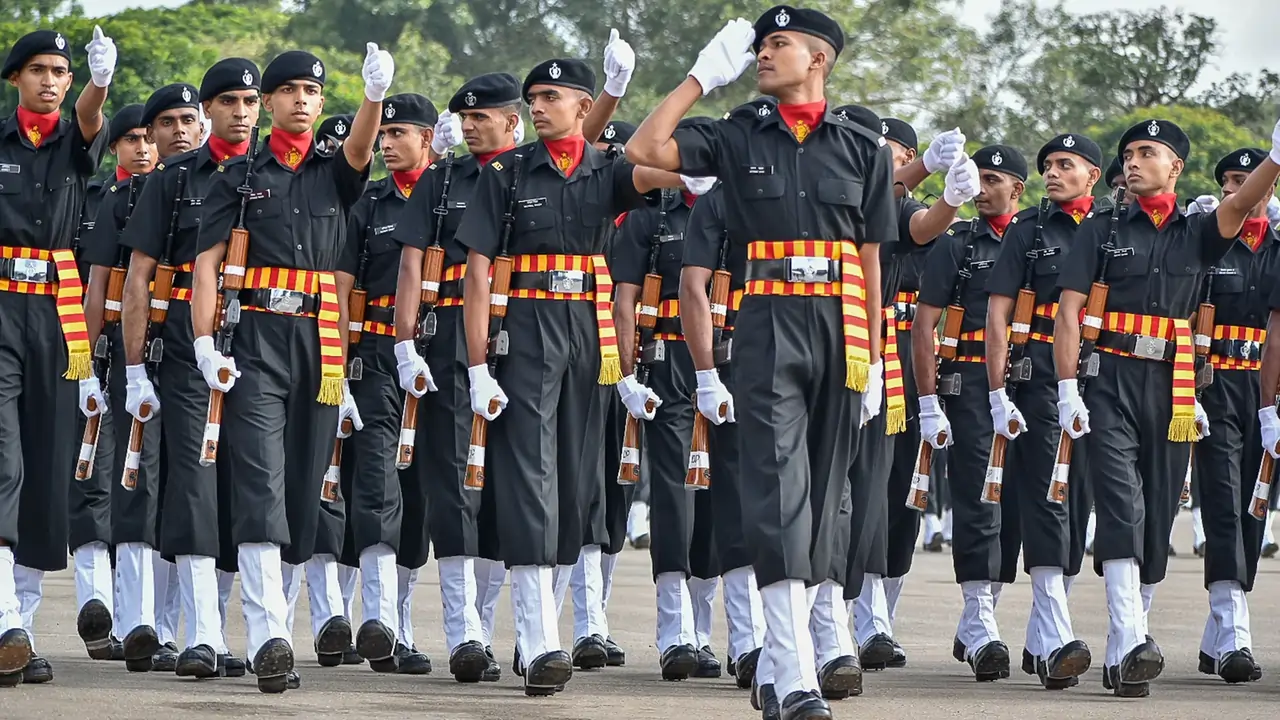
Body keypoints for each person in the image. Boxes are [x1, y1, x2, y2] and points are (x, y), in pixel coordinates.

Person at [627, 6, 898, 718]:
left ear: (819, 59)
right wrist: (699, 78)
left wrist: (873, 356)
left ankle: (782, 665)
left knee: (826, 498)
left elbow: (872, 260)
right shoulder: (737, 132)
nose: (763, 55)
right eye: (760, 46)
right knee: (778, 489)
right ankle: (796, 672)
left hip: (842, 326)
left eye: (778, 44)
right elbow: (644, 147)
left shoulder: (863, 148)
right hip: (767, 323)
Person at [453, 54, 681, 696]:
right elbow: (477, 272)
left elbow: (665, 164)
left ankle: (540, 631)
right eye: (533, 98)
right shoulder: (506, 172)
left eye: (552, 97)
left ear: (584, 107)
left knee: (577, 485)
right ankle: (540, 638)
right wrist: (477, 365)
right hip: (527, 328)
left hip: (590, 331)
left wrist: (689, 89)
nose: (538, 107)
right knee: (532, 475)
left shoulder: (608, 170)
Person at [1053, 116, 1280, 697]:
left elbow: (1243, 202)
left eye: (1146, 152)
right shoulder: (1100, 228)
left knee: (1157, 513)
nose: (1132, 161)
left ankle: (1122, 648)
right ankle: (1132, 636)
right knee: (1121, 504)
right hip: (1109, 378)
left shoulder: (1201, 231)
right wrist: (1067, 388)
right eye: (1128, 153)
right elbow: (1069, 310)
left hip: (1173, 386)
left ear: (1175, 167)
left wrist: (1276, 159)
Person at [191, 44, 391, 693]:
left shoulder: (337, 171)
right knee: (259, 481)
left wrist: (373, 96)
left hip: (321, 341)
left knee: (304, 491)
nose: (301, 100)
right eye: (289, 90)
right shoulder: (238, 176)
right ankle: (268, 633)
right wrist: (204, 343)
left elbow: (360, 148)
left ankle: (278, 617)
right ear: (269, 103)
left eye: (312, 91)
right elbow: (206, 265)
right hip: (256, 339)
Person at [118, 58, 262, 680]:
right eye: (226, 101)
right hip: (184, 342)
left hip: (261, 340)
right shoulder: (173, 179)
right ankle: (197, 632)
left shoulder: (273, 174)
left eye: (249, 101)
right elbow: (138, 278)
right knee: (195, 483)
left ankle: (224, 632)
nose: (240, 112)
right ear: (210, 113)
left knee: (240, 488)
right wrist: (134, 370)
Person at [392, 71, 522, 683]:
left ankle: (490, 627)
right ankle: (463, 629)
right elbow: (411, 264)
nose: (469, 126)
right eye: (464, 118)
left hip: (523, 337)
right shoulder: (441, 181)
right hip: (445, 336)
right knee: (452, 483)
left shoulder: (529, 175)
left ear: (512, 122)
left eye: (481, 117)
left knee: (503, 489)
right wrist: (404, 342)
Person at [0, 27, 115, 686]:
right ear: (17, 77)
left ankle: (20, 627)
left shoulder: (78, 142)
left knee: (47, 471)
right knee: (4, 460)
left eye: (61, 72)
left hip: (56, 314)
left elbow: (92, 118)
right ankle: (3, 621)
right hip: (0, 309)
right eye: (39, 69)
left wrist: (99, 83)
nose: (50, 80)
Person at [984, 133, 1104, 689]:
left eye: (1065, 164)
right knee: (1045, 498)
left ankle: (1040, 638)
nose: (1052, 173)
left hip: (1102, 382)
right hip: (1038, 382)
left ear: (1093, 175)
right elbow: (998, 313)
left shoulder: (1112, 229)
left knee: (1077, 506)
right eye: (1048, 165)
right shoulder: (1028, 230)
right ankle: (1057, 635)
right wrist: (997, 391)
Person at [849, 117, 970, 672]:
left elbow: (924, 227)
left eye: (891, 152)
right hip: (861, 345)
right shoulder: (862, 203)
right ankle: (860, 614)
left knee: (904, 489)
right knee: (863, 487)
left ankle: (881, 615)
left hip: (907, 355)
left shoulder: (909, 210)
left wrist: (950, 198)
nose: (881, 160)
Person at [912, 144, 1027, 682]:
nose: (981, 188)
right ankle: (980, 619)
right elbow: (925, 324)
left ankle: (981, 616)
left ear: (1017, 189)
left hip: (1029, 380)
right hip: (973, 383)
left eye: (993, 179)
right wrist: (929, 401)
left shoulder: (1037, 239)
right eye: (976, 178)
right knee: (982, 498)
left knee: (1018, 506)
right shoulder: (957, 242)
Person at [335, 91, 438, 673]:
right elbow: (344, 288)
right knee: (377, 482)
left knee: (419, 495)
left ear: (428, 139)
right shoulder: (368, 203)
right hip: (375, 356)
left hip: (436, 358)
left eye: (400, 133)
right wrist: (340, 368)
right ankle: (378, 622)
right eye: (384, 133)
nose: (388, 143)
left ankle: (400, 621)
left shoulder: (450, 196)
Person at [610, 130, 718, 680]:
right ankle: (675, 629)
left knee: (722, 497)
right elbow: (624, 300)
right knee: (677, 493)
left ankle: (714, 630)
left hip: (732, 362)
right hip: (669, 361)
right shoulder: (651, 217)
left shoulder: (743, 212)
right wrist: (627, 374)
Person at [80, 96, 169, 673]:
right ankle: (97, 604)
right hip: (102, 347)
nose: (142, 148)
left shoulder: (173, 194)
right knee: (92, 471)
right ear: (113, 146)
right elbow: (90, 285)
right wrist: (82, 361)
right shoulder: (100, 198)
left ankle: (142, 620)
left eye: (147, 138)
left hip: (159, 351)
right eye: (130, 139)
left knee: (143, 484)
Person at [1188, 148, 1279, 684]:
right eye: (1226, 180)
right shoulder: (1210, 243)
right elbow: (1182, 314)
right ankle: (1235, 634)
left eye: (1242, 179)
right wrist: (1188, 391)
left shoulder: (1279, 247)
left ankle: (1216, 633)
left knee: (1254, 506)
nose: (1231, 188)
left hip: (1264, 389)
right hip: (1214, 383)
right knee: (1222, 500)